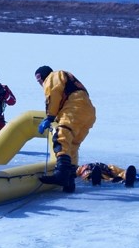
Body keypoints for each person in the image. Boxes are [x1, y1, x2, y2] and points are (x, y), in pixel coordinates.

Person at [35, 65, 96, 193]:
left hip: (75, 108)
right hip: (88, 113)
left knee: (61, 137)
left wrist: (50, 117)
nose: (40, 84)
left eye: (39, 80)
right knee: (72, 145)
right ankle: (69, 180)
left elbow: (53, 95)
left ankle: (61, 175)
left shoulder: (53, 77)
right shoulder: (67, 78)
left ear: (42, 76)